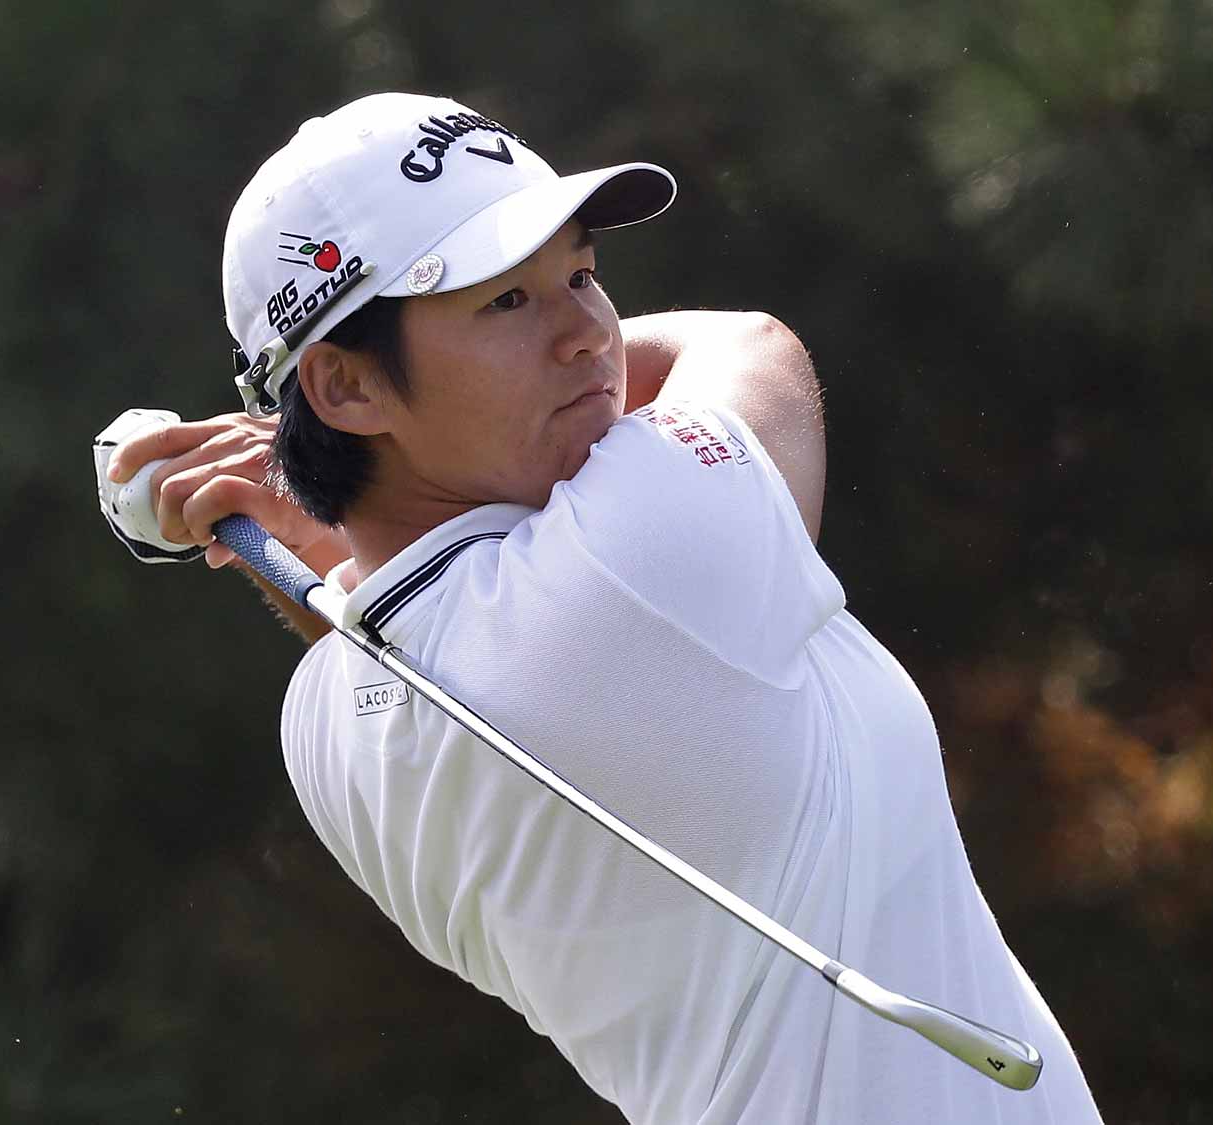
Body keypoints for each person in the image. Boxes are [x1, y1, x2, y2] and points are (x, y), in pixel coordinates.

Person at [105, 91, 1104, 1124]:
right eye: (505, 301)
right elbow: (747, 344)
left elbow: (390, 618)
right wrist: (294, 466)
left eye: (580, 274)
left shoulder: (323, 727)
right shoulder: (643, 556)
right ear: (349, 389)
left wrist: (313, 483)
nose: (588, 334)